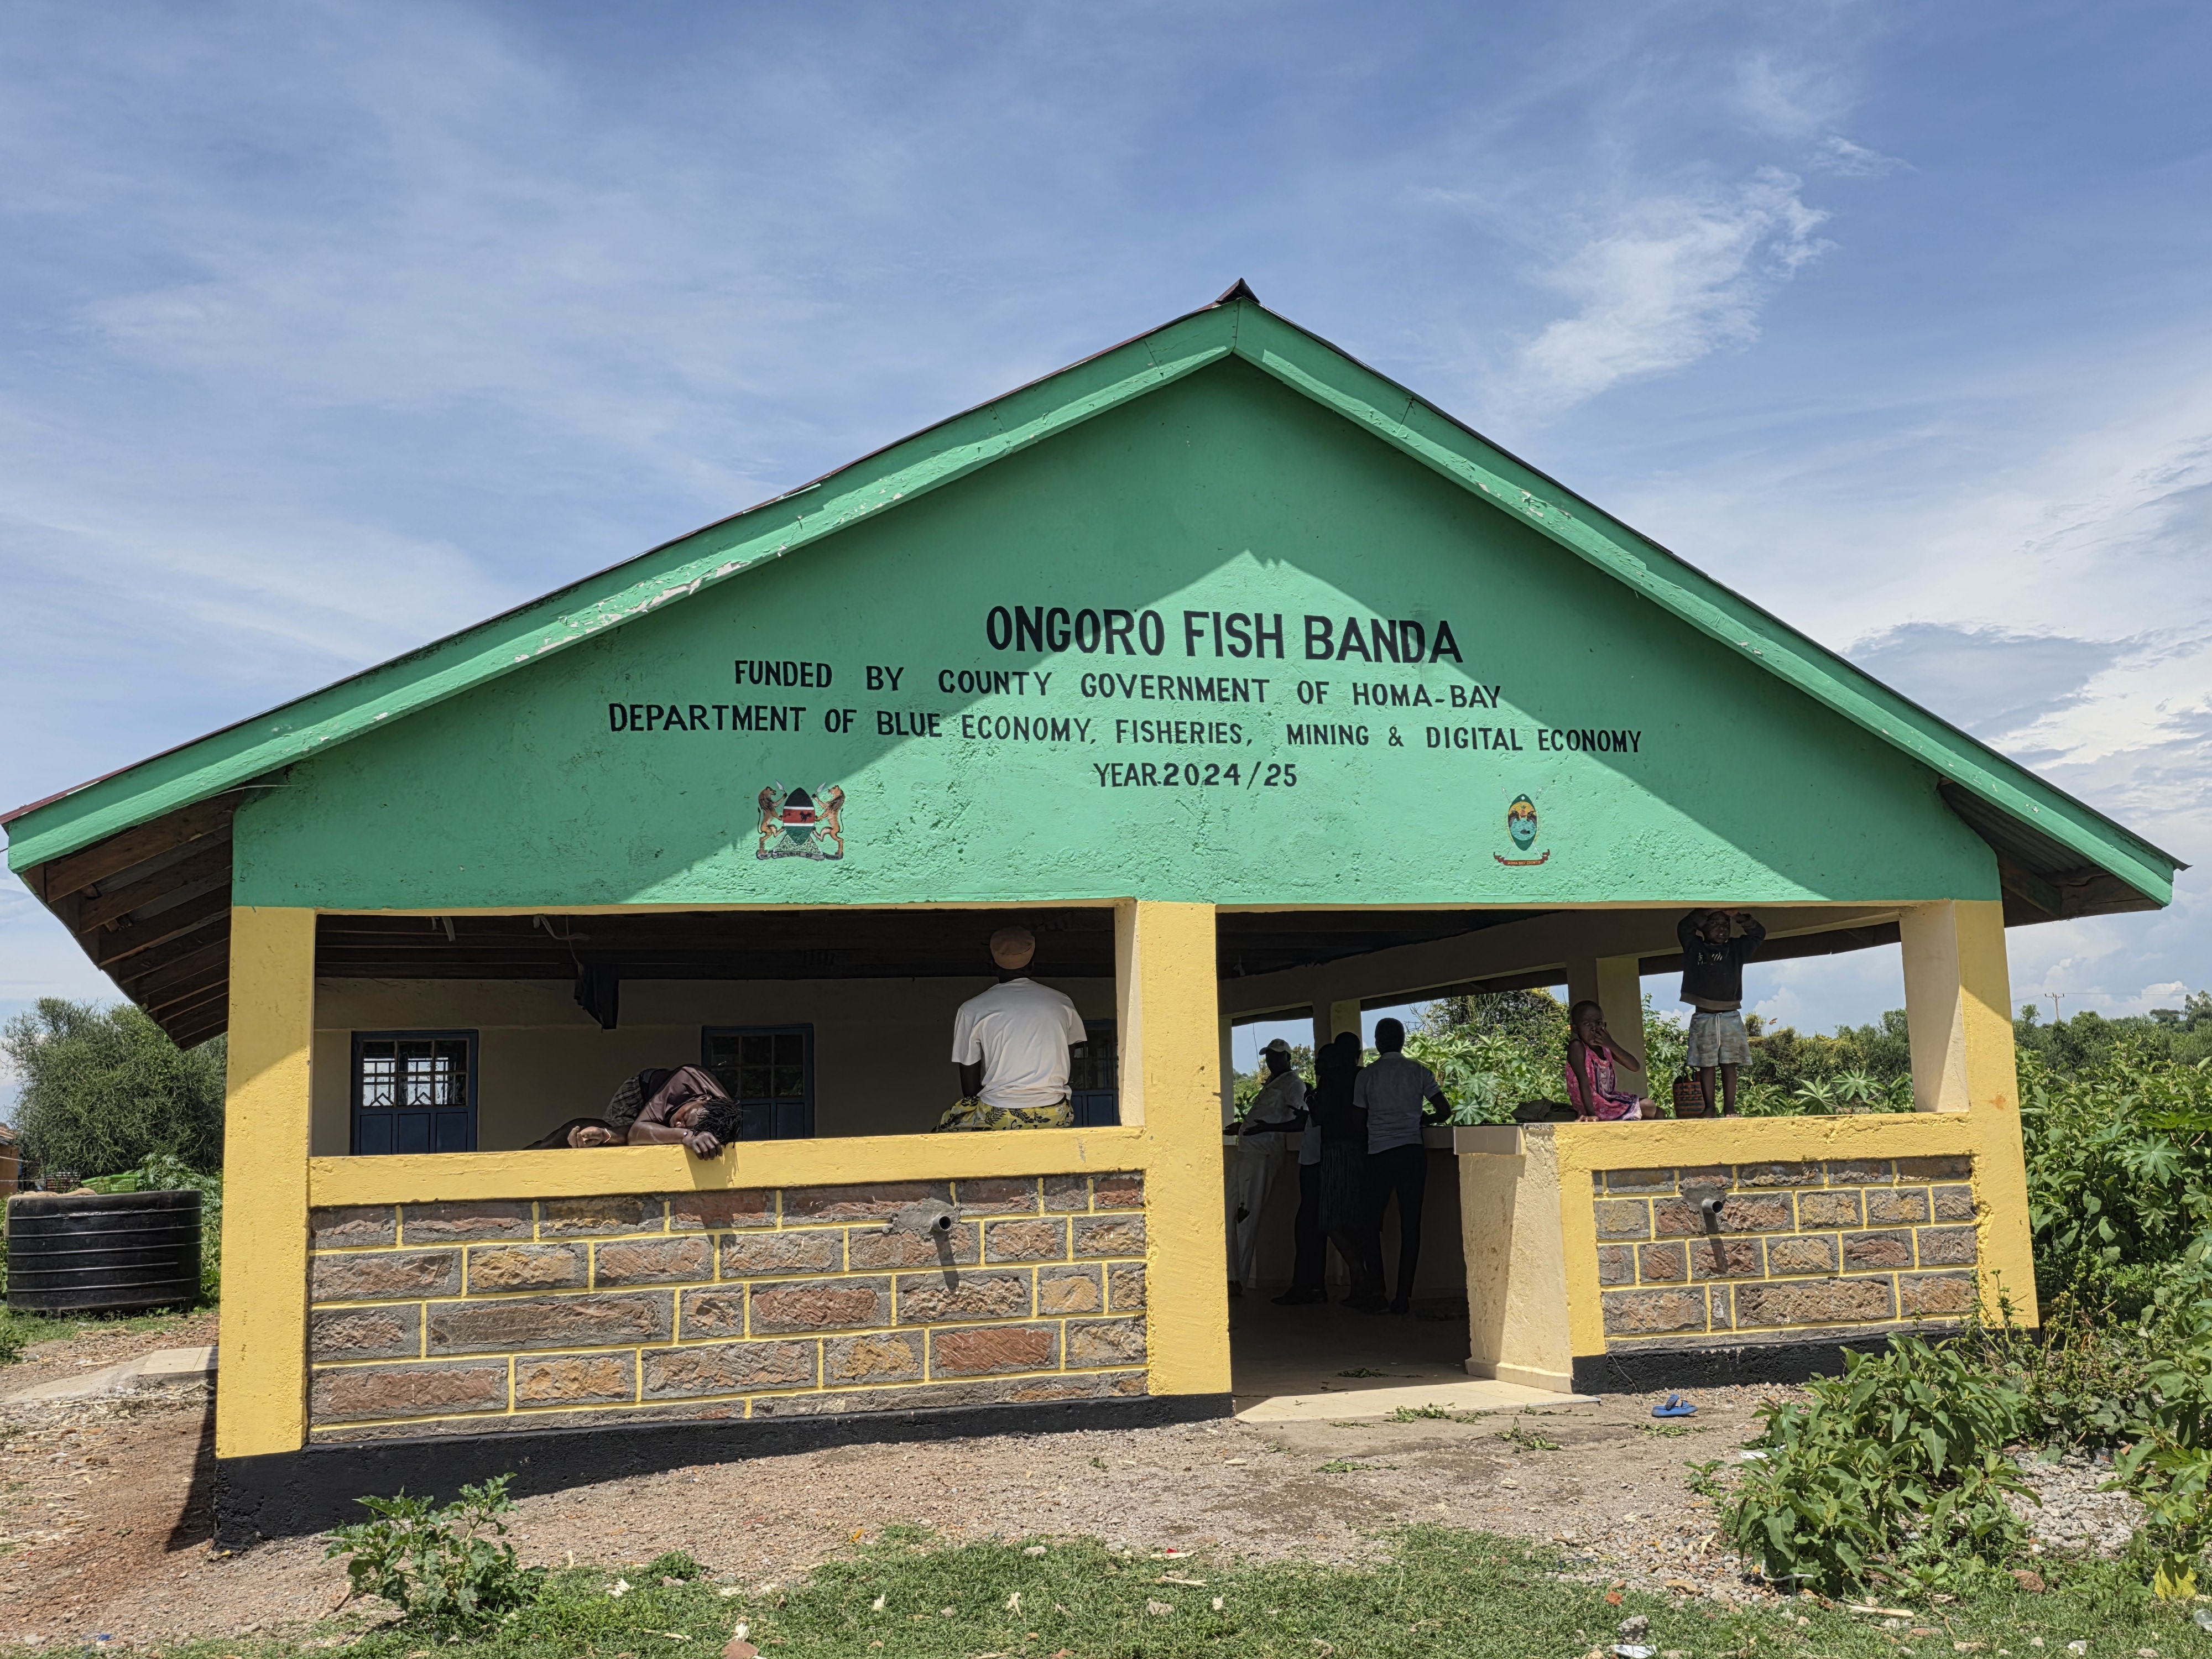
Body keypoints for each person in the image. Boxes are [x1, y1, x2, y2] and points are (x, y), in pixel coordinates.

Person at [940, 926, 1087, 1130]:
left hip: (998, 1113)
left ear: (992, 964)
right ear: (1032, 964)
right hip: (1055, 1113)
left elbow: (970, 1088)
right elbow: (1069, 1058)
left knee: (947, 1129)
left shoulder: (972, 1008)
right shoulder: (1061, 1003)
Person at [1352, 1018, 1451, 1316]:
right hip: (1411, 1152)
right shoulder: (1418, 1071)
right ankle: (1403, 1297)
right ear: (1403, 1040)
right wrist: (1424, 1120)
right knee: (1411, 1225)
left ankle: (1378, 1290)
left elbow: (1359, 1121)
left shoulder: (1366, 1076)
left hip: (1378, 1154)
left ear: (1378, 1042)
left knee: (1369, 1224)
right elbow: (1443, 1111)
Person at [1226, 1037, 1308, 1299]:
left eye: (1276, 1056)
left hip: (1263, 1155)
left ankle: (1239, 1278)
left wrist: (1268, 1129)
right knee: (1230, 1214)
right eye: (1269, 1056)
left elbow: (1301, 1120)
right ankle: (1229, 1275)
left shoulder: (1293, 1084)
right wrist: (1245, 1127)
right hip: (1247, 1152)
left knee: (1247, 1216)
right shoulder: (1272, 1084)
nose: (1271, 1060)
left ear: (1287, 1058)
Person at [527, 1065, 740, 1155]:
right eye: (684, 1117)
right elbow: (637, 1133)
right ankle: (539, 1148)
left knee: (605, 1138)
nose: (676, 1124)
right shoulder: (686, 1078)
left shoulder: (723, 1120)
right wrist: (685, 1135)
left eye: (685, 1126)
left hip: (649, 1122)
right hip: (641, 1093)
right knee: (602, 1130)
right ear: (703, 1098)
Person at [1310, 1032, 1379, 1308]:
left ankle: (1359, 1275)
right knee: (1356, 1219)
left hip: (1336, 1150)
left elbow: (1320, 1116)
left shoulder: (1332, 1079)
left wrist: (1311, 1100)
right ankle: (1360, 1282)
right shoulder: (1365, 1076)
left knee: (1330, 1219)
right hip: (1365, 1149)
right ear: (1360, 1053)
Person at [1678, 909, 1766, 1116]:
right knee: (1706, 1064)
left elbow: (1758, 934)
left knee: (1729, 1063)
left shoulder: (1737, 949)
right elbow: (1684, 927)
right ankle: (1709, 1108)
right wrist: (1706, 911)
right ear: (1703, 927)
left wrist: (1738, 916)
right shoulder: (1694, 946)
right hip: (1704, 1015)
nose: (1722, 929)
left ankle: (1730, 1108)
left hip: (1730, 1015)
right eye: (1715, 924)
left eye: (1726, 924)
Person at [1276, 1045, 1329, 1307]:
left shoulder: (1325, 1093)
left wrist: (1309, 1101)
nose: (1317, 1064)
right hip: (1311, 1162)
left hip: (1319, 1165)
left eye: (1322, 1059)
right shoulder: (1321, 1092)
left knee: (1309, 1227)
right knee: (1312, 1228)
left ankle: (1306, 1286)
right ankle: (1314, 1286)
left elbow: (1320, 1119)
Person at [1562, 1001, 1654, 1121]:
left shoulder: (1606, 1049)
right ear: (1575, 1029)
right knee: (1648, 1106)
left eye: (1599, 1023)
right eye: (1587, 1024)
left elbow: (1635, 1067)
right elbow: (1583, 1081)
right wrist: (1591, 1115)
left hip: (1608, 1101)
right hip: (1593, 1107)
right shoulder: (1577, 1047)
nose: (1594, 1029)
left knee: (1659, 1113)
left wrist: (1611, 1044)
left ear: (1605, 1026)